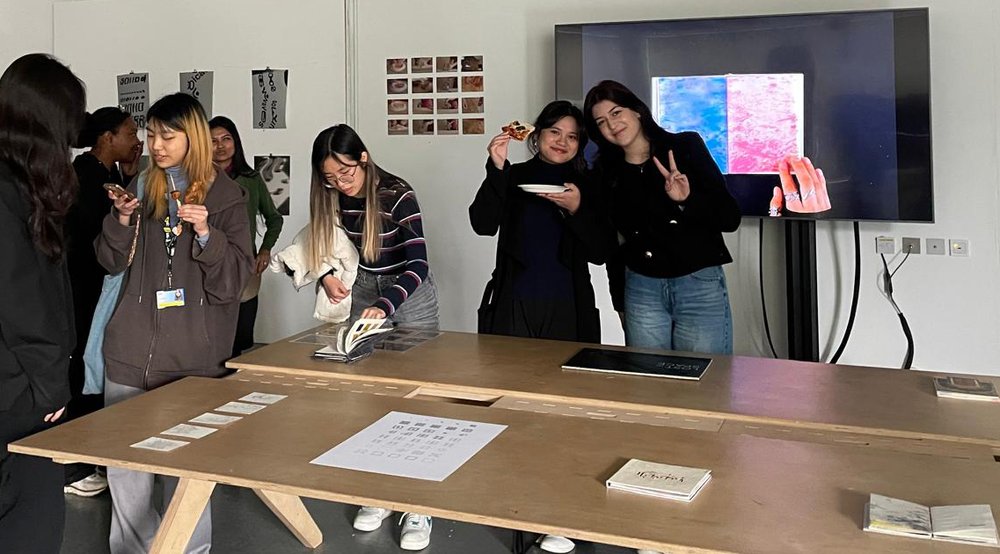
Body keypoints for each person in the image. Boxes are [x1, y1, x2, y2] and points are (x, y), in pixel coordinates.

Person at [96, 93, 253, 554]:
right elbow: (109, 263)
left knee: (187, 476)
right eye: (150, 136)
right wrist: (122, 218)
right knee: (126, 470)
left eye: (167, 136)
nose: (156, 146)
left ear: (194, 138)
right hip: (129, 352)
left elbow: (232, 286)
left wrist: (208, 234)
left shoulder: (226, 198)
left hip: (193, 362)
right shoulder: (144, 186)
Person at [310, 124, 438, 550]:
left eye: (346, 174)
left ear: (363, 157)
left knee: (416, 399)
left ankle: (418, 504)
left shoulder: (397, 193)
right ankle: (377, 494)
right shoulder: (330, 195)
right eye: (330, 178)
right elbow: (316, 245)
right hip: (364, 286)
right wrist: (326, 276)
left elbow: (418, 264)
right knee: (369, 396)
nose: (340, 184)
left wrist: (386, 307)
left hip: (409, 294)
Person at [584, 80, 741, 355]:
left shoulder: (683, 147)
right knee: (649, 384)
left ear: (637, 110)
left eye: (616, 112)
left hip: (698, 283)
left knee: (704, 382)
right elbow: (614, 248)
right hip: (641, 288)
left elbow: (729, 218)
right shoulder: (606, 173)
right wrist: (619, 302)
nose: (611, 125)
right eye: (601, 121)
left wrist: (686, 200)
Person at [0, 52, 85, 554]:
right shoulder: (9, 190)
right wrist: (52, 386)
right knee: (30, 518)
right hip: (18, 394)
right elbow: (22, 299)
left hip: (16, 384)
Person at [470, 100, 611, 345]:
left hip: (569, 302)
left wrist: (576, 209)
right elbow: (483, 225)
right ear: (537, 134)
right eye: (554, 132)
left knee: (565, 381)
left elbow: (600, 252)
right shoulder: (513, 175)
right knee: (512, 377)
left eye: (572, 137)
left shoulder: (587, 183)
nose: (562, 142)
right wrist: (496, 167)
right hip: (515, 299)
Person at [62, 107, 142, 499]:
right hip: (84, 289)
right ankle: (73, 467)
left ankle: (91, 454)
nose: (137, 140)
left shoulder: (109, 175)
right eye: (130, 133)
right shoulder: (86, 177)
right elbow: (91, 241)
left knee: (97, 366)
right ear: (107, 137)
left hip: (101, 287)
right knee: (83, 367)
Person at [209, 116, 284, 356]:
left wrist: (264, 250)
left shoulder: (251, 180)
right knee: (211, 335)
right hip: (207, 266)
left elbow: (274, 219)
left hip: (244, 266)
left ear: (236, 142)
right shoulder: (198, 180)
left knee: (240, 336)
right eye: (212, 141)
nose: (220, 146)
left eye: (226, 139)